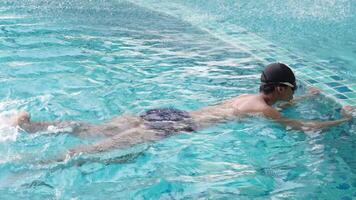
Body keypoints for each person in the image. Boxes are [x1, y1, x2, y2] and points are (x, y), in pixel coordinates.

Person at [9, 63, 354, 159]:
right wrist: (344, 118)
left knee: (95, 128)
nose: (288, 97)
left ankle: (33, 126)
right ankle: (40, 162)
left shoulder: (250, 98)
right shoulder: (264, 111)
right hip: (177, 126)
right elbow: (304, 127)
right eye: (289, 91)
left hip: (168, 113)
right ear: (279, 89)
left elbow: (290, 105)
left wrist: (309, 96)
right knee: (98, 149)